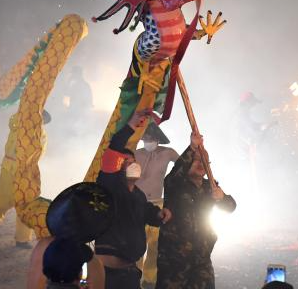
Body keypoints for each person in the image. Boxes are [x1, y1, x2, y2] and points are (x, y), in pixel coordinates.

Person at [95, 114, 171, 288]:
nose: (133, 165)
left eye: (133, 161)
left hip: (130, 274)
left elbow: (146, 212)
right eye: (126, 162)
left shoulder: (138, 195)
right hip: (107, 275)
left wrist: (159, 214)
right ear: (116, 168)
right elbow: (113, 149)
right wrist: (131, 124)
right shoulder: (110, 186)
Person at [155, 132, 235, 289]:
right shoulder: (175, 184)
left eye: (204, 162)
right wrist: (192, 147)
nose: (201, 165)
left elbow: (231, 207)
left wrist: (222, 197)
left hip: (202, 258)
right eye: (196, 160)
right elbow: (177, 171)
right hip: (174, 260)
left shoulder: (210, 187)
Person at [0, 109, 51, 247]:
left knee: (26, 205)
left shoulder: (42, 135)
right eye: (35, 116)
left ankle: (22, 239)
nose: (36, 120)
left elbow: (39, 154)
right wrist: (24, 110)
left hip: (26, 173)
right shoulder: (17, 126)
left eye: (40, 118)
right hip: (8, 169)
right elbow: (11, 121)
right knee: (2, 200)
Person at [134, 124, 179, 289]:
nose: (147, 141)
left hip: (158, 204)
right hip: (137, 203)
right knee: (137, 242)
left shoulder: (167, 153)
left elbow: (183, 166)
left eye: (150, 139)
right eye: (144, 138)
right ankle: (135, 276)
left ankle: (149, 280)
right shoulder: (136, 153)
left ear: (158, 139)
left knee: (155, 244)